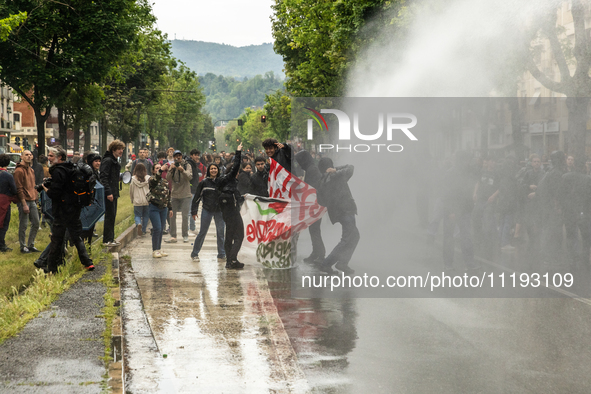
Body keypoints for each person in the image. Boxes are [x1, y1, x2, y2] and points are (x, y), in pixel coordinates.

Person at [44, 148, 94, 273]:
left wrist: (46, 188)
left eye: (51, 156)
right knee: (77, 237)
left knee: (57, 239)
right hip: (75, 207)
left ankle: (51, 269)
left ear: (59, 157)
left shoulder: (58, 171)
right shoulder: (72, 168)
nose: (48, 158)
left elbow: (55, 193)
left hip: (61, 209)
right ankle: (88, 263)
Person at [316, 157, 359, 275]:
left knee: (354, 236)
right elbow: (350, 168)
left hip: (338, 212)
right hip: (346, 210)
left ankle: (343, 262)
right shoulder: (336, 176)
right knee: (347, 239)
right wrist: (335, 170)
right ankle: (326, 264)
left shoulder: (322, 180)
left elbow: (321, 201)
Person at [441, 150, 477, 272]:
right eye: (467, 160)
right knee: (450, 238)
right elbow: (446, 194)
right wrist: (450, 211)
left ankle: (469, 263)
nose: (469, 162)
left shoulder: (467, 172)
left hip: (464, 210)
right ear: (462, 160)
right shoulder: (450, 174)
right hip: (453, 211)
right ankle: (448, 264)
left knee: (466, 237)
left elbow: (468, 191)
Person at [190, 163, 226, 261]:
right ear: (208, 171)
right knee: (202, 232)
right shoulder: (204, 183)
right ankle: (194, 253)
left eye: (215, 168)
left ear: (218, 170)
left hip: (219, 211)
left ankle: (222, 254)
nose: (213, 170)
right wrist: (194, 211)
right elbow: (197, 197)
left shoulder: (222, 182)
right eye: (211, 169)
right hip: (207, 209)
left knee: (221, 233)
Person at [295, 151, 326, 264]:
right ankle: (317, 253)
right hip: (315, 204)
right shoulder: (310, 169)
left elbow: (313, 187)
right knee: (314, 230)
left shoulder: (312, 170)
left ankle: (319, 254)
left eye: (300, 162)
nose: (299, 164)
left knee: (314, 230)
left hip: (316, 204)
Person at [218, 144, 244, 269]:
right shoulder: (230, 178)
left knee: (229, 236)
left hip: (225, 212)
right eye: (237, 172)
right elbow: (236, 165)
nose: (238, 174)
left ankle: (229, 262)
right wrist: (238, 151)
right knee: (239, 235)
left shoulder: (221, 181)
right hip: (232, 211)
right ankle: (232, 259)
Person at [13, 149, 40, 253]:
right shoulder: (19, 171)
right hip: (24, 201)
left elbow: (33, 186)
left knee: (36, 223)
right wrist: (24, 204)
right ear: (22, 157)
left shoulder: (31, 170)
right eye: (26, 155)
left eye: (30, 155)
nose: (29, 156)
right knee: (23, 224)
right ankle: (22, 246)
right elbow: (18, 188)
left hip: (32, 199)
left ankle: (31, 244)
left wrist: (36, 197)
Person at [100, 140, 125, 247]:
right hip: (110, 193)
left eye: (122, 149)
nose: (121, 151)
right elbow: (103, 177)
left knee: (112, 215)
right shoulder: (108, 161)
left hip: (113, 191)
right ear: (113, 149)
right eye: (119, 149)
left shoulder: (113, 161)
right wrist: (108, 192)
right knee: (110, 216)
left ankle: (110, 238)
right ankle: (107, 240)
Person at [164, 150, 193, 243]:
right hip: (175, 194)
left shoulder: (187, 165)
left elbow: (189, 177)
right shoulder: (172, 166)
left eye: (179, 155)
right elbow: (167, 178)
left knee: (185, 216)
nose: (178, 157)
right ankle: (173, 236)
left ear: (182, 156)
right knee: (172, 215)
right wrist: (171, 169)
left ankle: (185, 235)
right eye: (176, 156)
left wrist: (182, 170)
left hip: (186, 194)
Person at [147, 163, 173, 258]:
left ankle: (159, 248)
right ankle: (155, 250)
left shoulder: (165, 182)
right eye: (157, 168)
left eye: (160, 168)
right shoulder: (151, 180)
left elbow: (168, 195)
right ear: (153, 170)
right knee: (157, 228)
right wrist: (161, 170)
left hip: (163, 208)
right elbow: (154, 181)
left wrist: (170, 208)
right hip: (154, 207)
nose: (159, 169)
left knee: (161, 229)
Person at [0, 154, 18, 252]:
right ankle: (1, 245)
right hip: (4, 201)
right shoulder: (8, 176)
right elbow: (15, 190)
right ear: (8, 163)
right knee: (4, 223)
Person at [187, 149, 205, 233]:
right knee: (189, 210)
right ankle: (188, 229)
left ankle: (192, 227)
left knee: (193, 209)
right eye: (195, 155)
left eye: (197, 155)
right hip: (190, 190)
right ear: (191, 155)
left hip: (194, 189)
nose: (197, 156)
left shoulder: (194, 164)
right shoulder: (189, 164)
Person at [130, 163, 150, 236]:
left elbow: (131, 191)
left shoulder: (133, 179)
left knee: (137, 215)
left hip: (137, 200)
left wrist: (132, 199)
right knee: (146, 215)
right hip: (147, 200)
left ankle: (138, 223)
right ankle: (143, 230)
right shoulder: (148, 178)